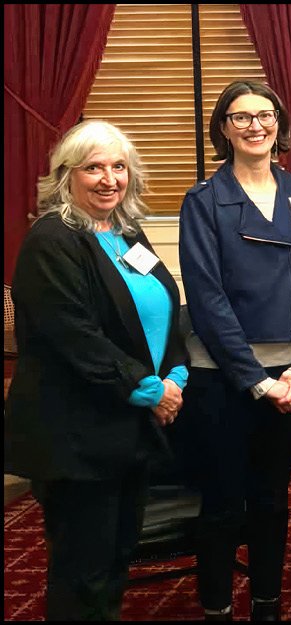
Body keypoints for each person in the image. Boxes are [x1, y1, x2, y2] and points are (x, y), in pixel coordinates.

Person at [5, 120, 188, 620]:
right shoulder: (51, 240)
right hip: (76, 435)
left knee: (116, 557)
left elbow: (165, 309)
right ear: (67, 176)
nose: (109, 179)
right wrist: (151, 391)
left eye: (118, 166)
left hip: (127, 429)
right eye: (93, 168)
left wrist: (176, 374)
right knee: (82, 571)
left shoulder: (127, 231)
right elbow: (76, 340)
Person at [174, 81, 291, 621]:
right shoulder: (202, 201)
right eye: (240, 117)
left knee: (272, 501)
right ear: (223, 128)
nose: (254, 126)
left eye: (264, 115)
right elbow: (206, 297)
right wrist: (256, 380)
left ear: (279, 125)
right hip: (223, 376)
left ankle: (267, 605)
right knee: (221, 503)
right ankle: (217, 608)